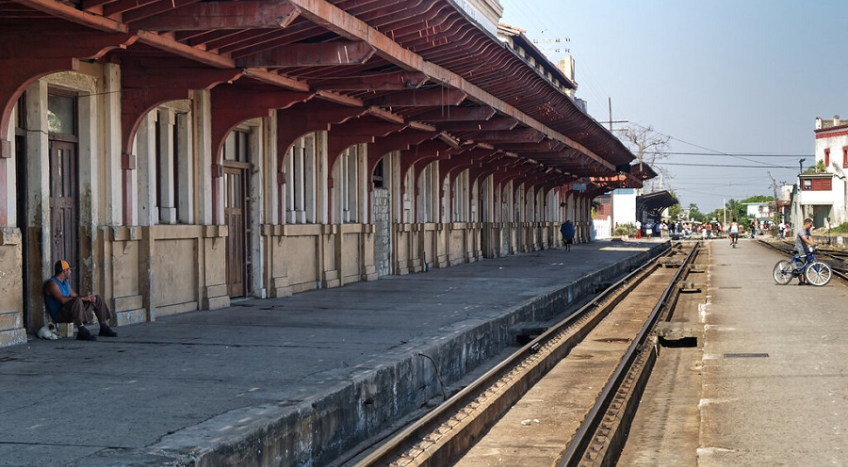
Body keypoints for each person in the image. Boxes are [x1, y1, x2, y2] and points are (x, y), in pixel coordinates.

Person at [44, 260, 117, 341]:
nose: (71, 272)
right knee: (77, 300)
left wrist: (88, 298)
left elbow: (75, 296)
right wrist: (82, 298)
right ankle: (81, 330)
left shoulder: (65, 283)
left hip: (72, 311)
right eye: (69, 270)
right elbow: (62, 300)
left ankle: (103, 327)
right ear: (65, 271)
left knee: (97, 299)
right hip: (60, 315)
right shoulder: (52, 284)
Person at [794, 218, 817, 285]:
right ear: (806, 223)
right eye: (810, 225)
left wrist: (813, 243)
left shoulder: (807, 231)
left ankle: (806, 280)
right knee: (800, 265)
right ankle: (800, 281)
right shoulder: (801, 231)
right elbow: (804, 239)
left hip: (805, 250)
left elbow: (809, 237)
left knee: (807, 265)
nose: (811, 226)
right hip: (799, 250)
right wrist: (811, 243)